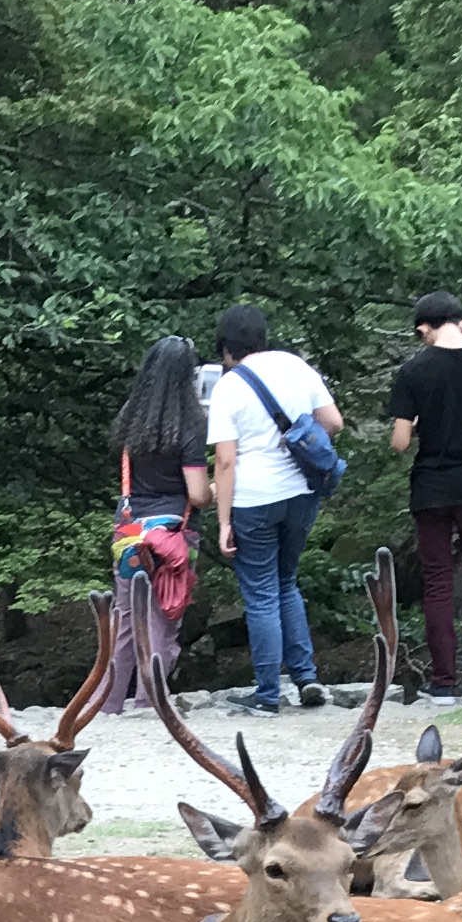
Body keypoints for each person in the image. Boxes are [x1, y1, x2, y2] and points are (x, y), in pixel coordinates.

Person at [207, 304, 343, 712]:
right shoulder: (295, 366)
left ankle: (267, 694)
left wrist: (224, 521)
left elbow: (226, 462)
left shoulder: (228, 387)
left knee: (261, 594)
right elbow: (333, 422)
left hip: (253, 500)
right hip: (302, 492)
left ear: (227, 349)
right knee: (287, 583)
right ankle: (306, 678)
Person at [385, 292, 462, 700]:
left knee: (437, 583)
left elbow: (399, 442)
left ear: (423, 328)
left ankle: (443, 682)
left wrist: (416, 425)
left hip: (431, 486)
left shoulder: (415, 369)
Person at [106, 334, 209, 705]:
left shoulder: (130, 421)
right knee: (163, 621)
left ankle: (110, 703)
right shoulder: (190, 426)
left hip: (130, 529)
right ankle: (150, 703)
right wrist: (216, 489)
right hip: (174, 535)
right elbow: (197, 493)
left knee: (126, 622)